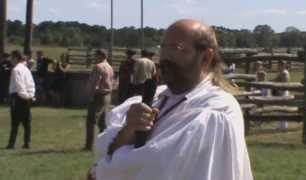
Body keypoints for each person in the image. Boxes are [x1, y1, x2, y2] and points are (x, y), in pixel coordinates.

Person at [89, 19, 253, 180]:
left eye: (176, 48)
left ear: (205, 58)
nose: (165, 57)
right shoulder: (154, 97)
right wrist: (128, 130)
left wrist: (102, 169)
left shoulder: (217, 110)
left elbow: (156, 166)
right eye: (164, 48)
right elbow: (103, 148)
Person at [84, 49, 114, 151]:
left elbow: (95, 83)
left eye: (96, 55)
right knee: (102, 122)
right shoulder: (110, 67)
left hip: (99, 96)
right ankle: (104, 143)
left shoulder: (98, 67)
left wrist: (91, 94)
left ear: (100, 56)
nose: (94, 57)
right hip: (107, 95)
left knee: (91, 120)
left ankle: (89, 145)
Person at [6, 50, 35, 149]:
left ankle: (11, 143)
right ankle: (27, 142)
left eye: (11, 58)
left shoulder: (16, 70)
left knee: (15, 121)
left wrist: (24, 96)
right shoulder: (26, 69)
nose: (10, 60)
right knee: (27, 122)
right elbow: (31, 84)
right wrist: (30, 96)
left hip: (18, 97)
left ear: (15, 58)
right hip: (27, 97)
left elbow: (19, 86)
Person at [273, 60, 290, 130]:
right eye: (278, 65)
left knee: (283, 110)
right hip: (280, 92)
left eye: (279, 65)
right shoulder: (281, 72)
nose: (278, 66)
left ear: (283, 65)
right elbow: (276, 80)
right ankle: (279, 126)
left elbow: (284, 83)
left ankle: (284, 126)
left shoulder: (284, 73)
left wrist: (280, 91)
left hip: (283, 92)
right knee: (279, 110)